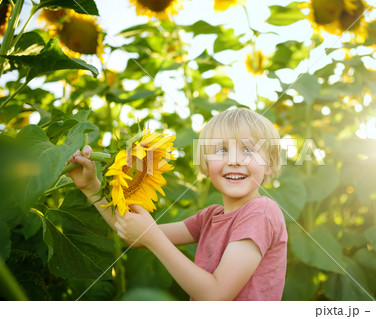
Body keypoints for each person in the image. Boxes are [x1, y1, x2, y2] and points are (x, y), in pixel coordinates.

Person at [67, 107, 288, 301]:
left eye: (248, 149)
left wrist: (152, 237)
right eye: (222, 150)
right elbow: (134, 233)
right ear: (204, 165)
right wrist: (91, 187)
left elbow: (216, 295)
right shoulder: (209, 217)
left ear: (269, 165)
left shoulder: (261, 212)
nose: (234, 160)